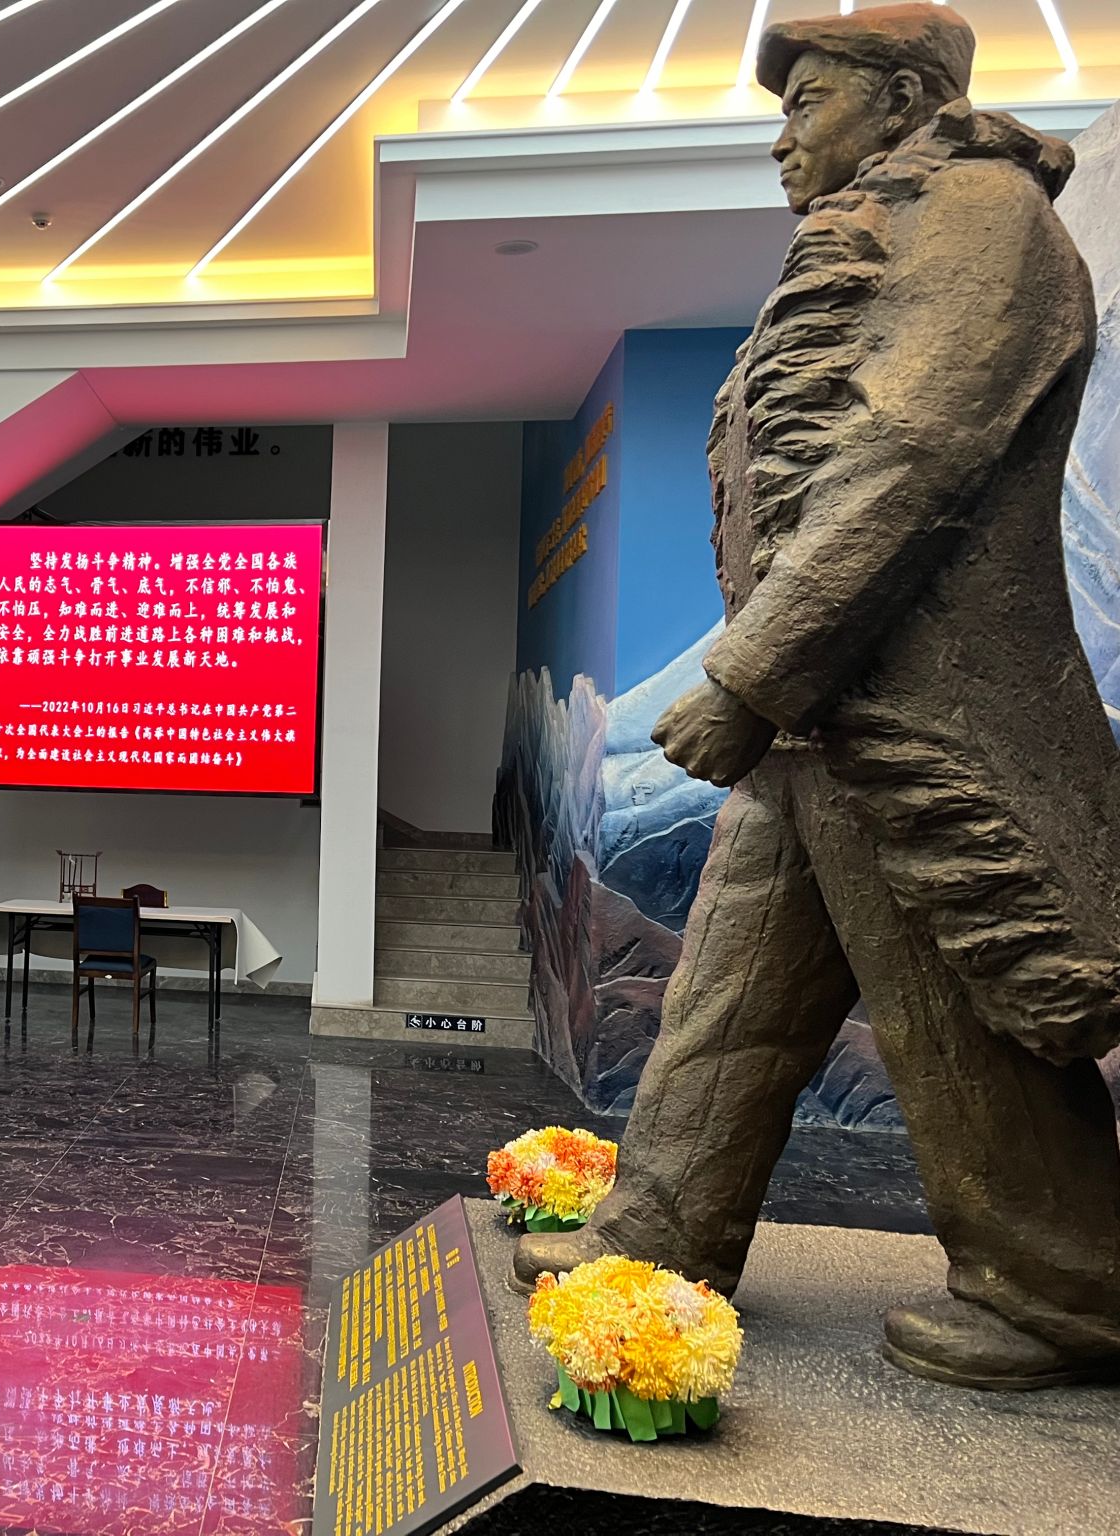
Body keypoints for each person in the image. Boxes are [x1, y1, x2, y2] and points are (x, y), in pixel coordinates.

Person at [515, 4, 1120, 1388]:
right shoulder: (886, 227)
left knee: (948, 994)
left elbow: (911, 456)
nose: (782, 137)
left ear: (903, 99)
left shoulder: (979, 217)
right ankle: (661, 1231)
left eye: (809, 103)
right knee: (731, 990)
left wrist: (748, 670)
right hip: (822, 710)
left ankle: (1065, 1290)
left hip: (906, 709)